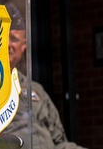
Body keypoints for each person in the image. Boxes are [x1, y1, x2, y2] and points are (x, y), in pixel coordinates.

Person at [7, 17, 88, 149]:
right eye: (3, 37)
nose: (7, 44)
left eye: (13, 39)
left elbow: (59, 139)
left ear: (24, 45)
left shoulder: (36, 89)